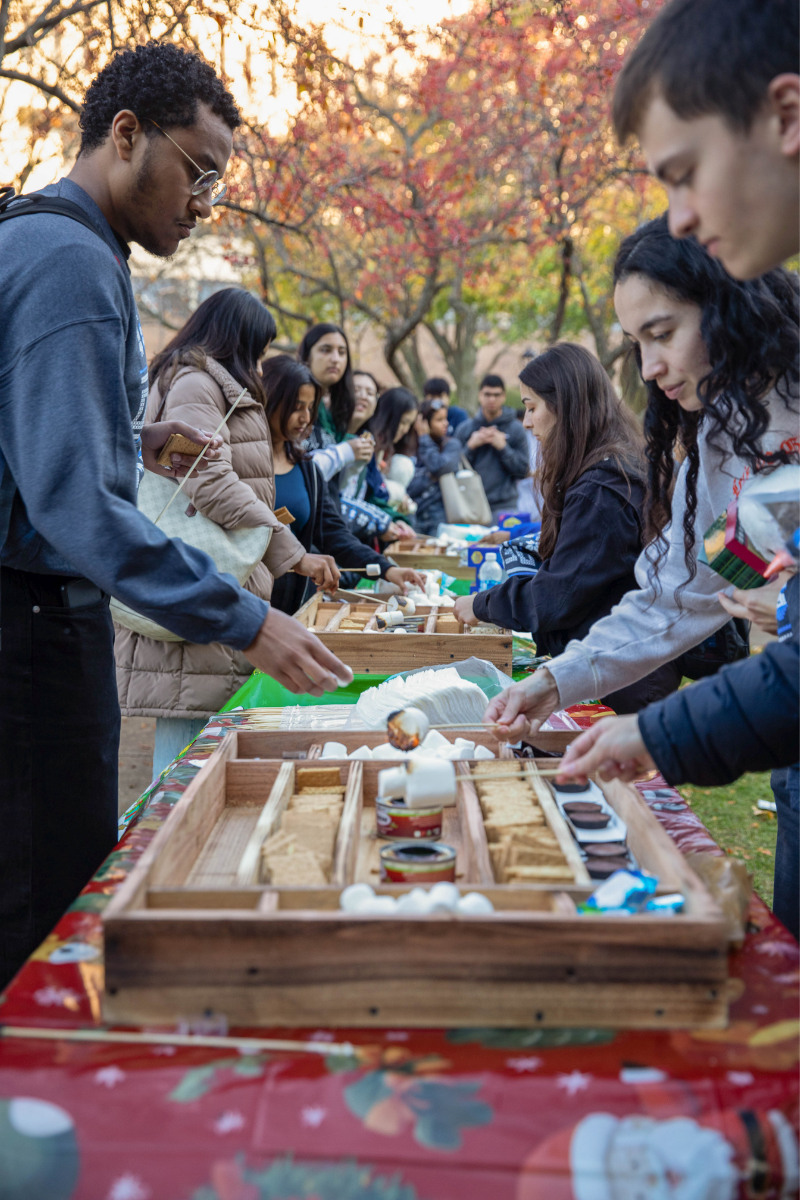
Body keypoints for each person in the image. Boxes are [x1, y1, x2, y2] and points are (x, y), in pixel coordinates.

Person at [0, 42, 347, 983]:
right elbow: (76, 507)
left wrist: (129, 437)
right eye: (198, 174)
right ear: (125, 136)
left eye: (217, 187)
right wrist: (248, 620)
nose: (205, 205)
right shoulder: (67, 262)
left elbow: (38, 447)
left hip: (40, 628)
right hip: (29, 638)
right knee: (45, 915)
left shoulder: (59, 243)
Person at [551, 0, 800, 935]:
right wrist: (564, 678)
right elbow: (700, 583)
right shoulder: (722, 441)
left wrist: (658, 730)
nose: (684, 217)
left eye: (685, 175)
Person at [485, 216, 797, 740]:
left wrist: (788, 609)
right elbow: (681, 592)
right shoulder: (718, 442)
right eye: (636, 343)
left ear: (728, 307)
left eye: (663, 334)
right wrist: (555, 681)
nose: (649, 366)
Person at [115, 291, 339, 777]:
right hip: (202, 576)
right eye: (256, 352)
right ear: (236, 340)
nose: (258, 365)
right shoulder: (198, 382)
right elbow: (208, 479)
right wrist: (293, 553)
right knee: (184, 765)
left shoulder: (208, 382)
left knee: (198, 755)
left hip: (217, 579)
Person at [455, 344, 680, 714]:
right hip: (620, 663)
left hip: (628, 678)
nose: (527, 423)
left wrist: (481, 604)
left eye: (531, 408)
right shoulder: (610, 468)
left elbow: (554, 598)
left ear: (567, 406)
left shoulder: (602, 489)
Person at [262, 356, 424, 612]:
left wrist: (387, 569)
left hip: (292, 606)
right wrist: (299, 559)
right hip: (246, 603)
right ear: (269, 401)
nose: (305, 417)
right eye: (296, 407)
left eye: (310, 408)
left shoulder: (307, 468)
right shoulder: (240, 463)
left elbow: (334, 533)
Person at [298, 323, 372, 483]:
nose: (335, 359)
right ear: (307, 355)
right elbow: (293, 472)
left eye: (342, 352)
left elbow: (334, 486)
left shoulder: (334, 411)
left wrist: (355, 462)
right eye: (326, 350)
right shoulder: (288, 399)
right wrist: (345, 451)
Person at [456, 374, 531, 519]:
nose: (492, 399)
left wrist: (503, 447)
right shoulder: (465, 429)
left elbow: (523, 471)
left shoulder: (516, 429)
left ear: (504, 397)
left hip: (505, 506)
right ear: (479, 395)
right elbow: (453, 470)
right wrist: (470, 447)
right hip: (470, 505)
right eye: (487, 394)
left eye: (496, 395)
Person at [408, 399, 463, 536]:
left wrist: (424, 438)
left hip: (440, 518)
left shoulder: (452, 445)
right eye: (439, 420)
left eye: (446, 418)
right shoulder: (409, 447)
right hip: (412, 517)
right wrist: (430, 478)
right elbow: (407, 486)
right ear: (424, 423)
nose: (446, 423)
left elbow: (438, 467)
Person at [366, 387, 420, 525]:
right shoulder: (368, 441)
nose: (406, 429)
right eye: (403, 422)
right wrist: (398, 495)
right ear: (390, 416)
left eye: (409, 424)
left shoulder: (390, 447)